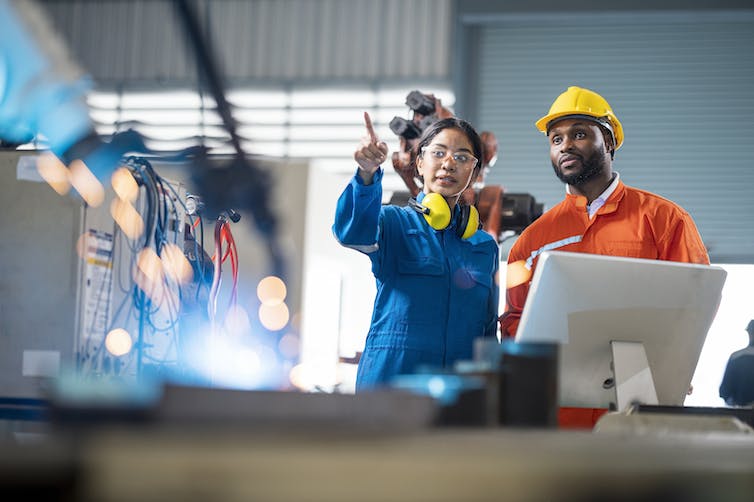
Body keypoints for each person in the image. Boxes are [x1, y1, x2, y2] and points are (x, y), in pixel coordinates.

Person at [499, 86, 710, 338]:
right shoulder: (531, 241)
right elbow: (514, 322)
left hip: (644, 373)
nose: (565, 146)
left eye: (579, 134)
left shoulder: (664, 219)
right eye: (556, 139)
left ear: (608, 142)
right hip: (559, 375)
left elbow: (696, 301)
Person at [333, 112, 499, 391]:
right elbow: (352, 232)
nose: (448, 163)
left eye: (462, 157)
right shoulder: (393, 223)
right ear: (420, 163)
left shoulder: (483, 247)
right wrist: (366, 174)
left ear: (474, 172)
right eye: (439, 153)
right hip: (391, 387)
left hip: (459, 394)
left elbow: (487, 333)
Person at [719, 320, 754, 407]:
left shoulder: (736, 357)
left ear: (749, 333)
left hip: (740, 413)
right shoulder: (736, 357)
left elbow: (724, 391)